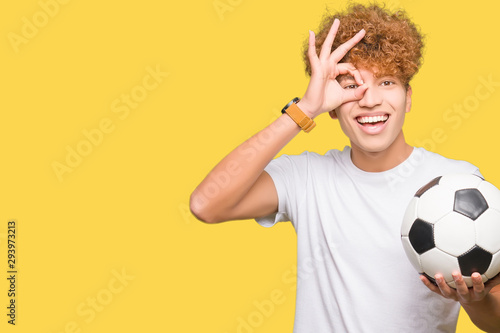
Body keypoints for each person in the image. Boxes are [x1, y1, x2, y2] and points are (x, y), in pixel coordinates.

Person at [190, 3, 500, 332]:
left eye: (386, 83)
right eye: (351, 86)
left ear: (408, 98)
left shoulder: (458, 183)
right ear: (333, 107)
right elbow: (205, 204)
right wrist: (305, 109)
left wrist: (475, 300)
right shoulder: (306, 177)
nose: (369, 100)